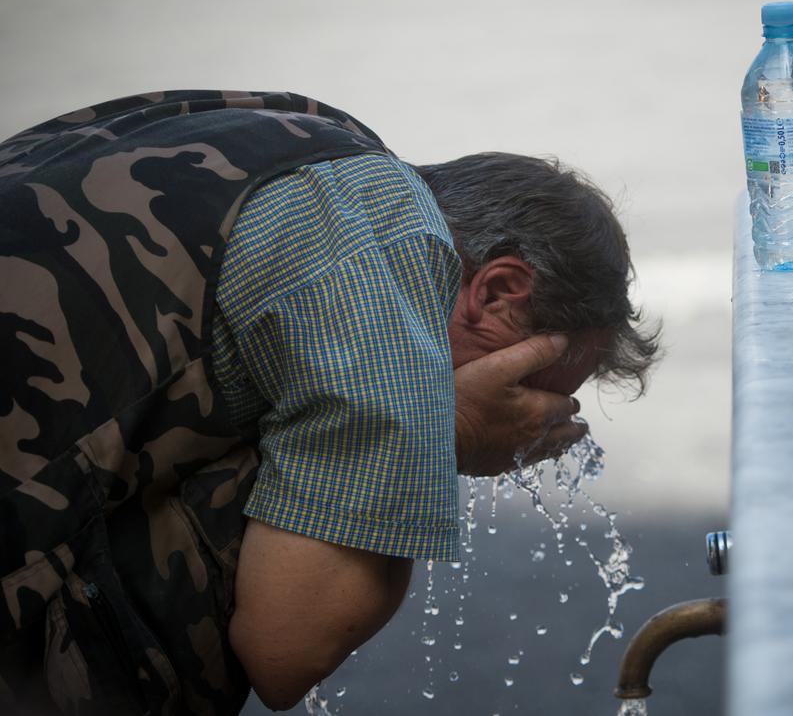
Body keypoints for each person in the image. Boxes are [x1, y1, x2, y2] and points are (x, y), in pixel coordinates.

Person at [0, 90, 658, 715]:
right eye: (530, 391)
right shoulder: (385, 254)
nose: (528, 425)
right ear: (497, 292)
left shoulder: (299, 134)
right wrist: (446, 426)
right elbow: (286, 651)